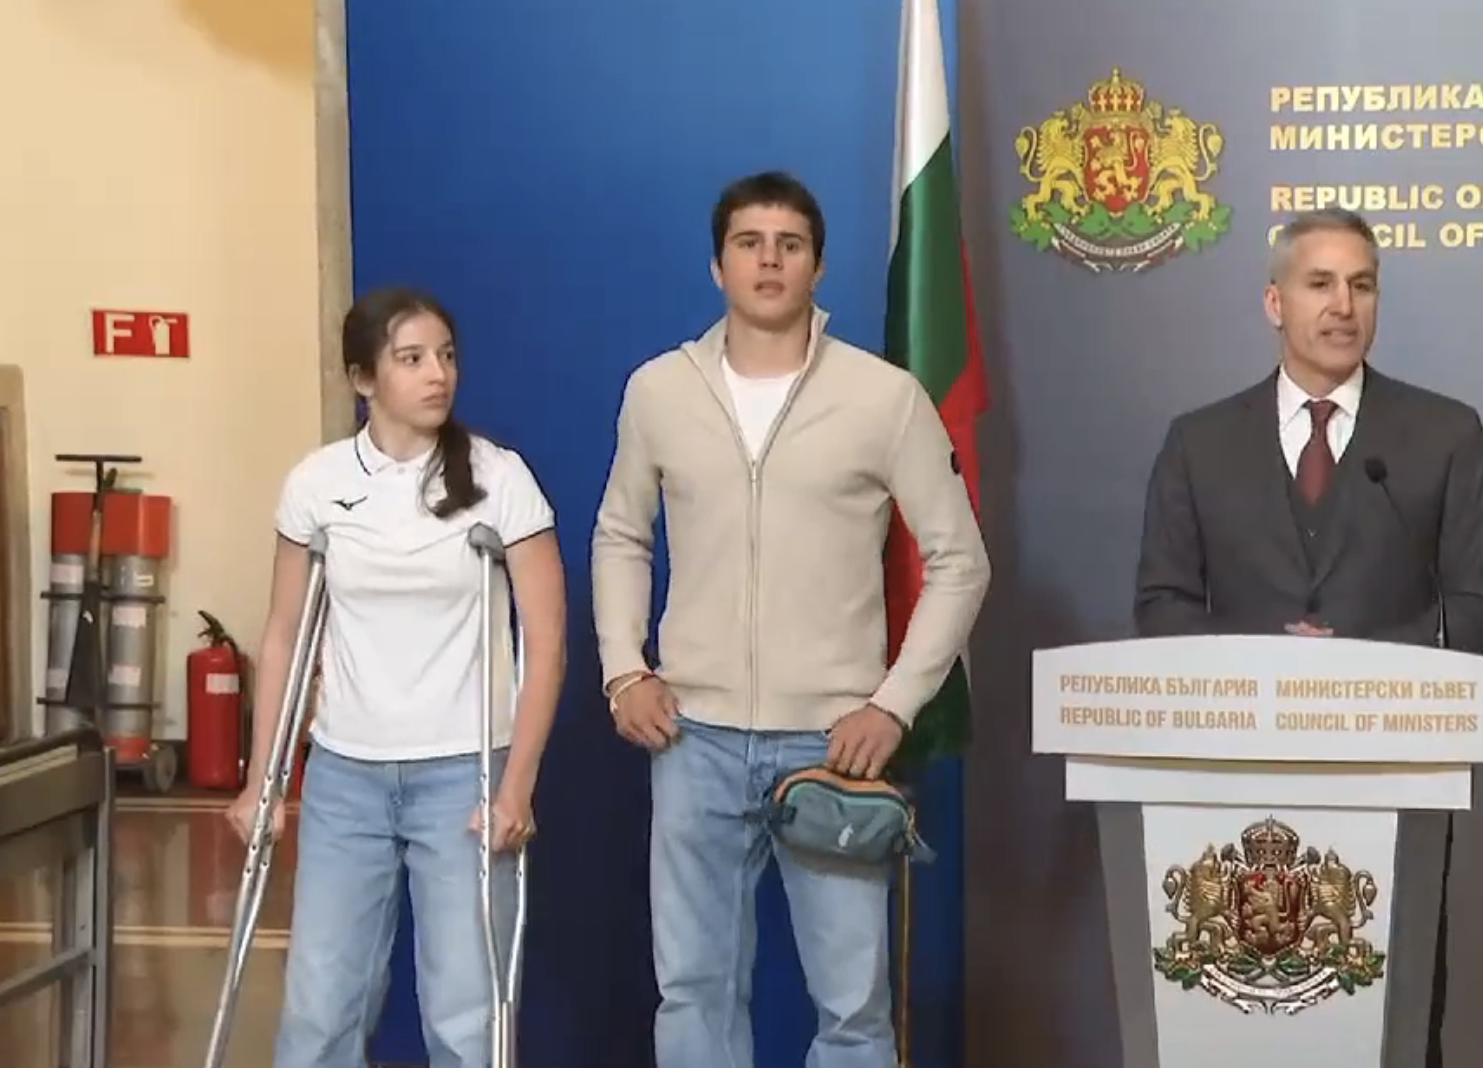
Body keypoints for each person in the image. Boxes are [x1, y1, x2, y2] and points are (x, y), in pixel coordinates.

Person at [590, 170, 989, 1068]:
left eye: (789, 245)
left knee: (852, 1007)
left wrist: (892, 705)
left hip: (832, 746)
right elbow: (620, 534)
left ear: (817, 266)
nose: (769, 261)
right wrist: (624, 669)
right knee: (693, 991)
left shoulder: (883, 397)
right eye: (749, 243)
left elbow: (961, 562)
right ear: (717, 265)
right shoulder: (659, 390)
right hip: (691, 738)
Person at [1132, 207, 1483, 1068]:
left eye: (1362, 285)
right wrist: (1265, 667)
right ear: (1275, 302)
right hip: (1234, 774)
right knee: (1246, 1021)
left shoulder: (1444, 433)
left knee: (1390, 1015)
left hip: (1395, 770)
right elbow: (1161, 603)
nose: (1343, 305)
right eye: (1320, 283)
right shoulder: (1200, 441)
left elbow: (1482, 604)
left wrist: (1357, 668)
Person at [226, 286, 566, 1068]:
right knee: (320, 1011)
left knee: (467, 1018)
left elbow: (546, 641)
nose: (437, 374)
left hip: (464, 775)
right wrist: (261, 781)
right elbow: (283, 635)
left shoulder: (500, 479)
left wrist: (516, 787)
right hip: (346, 775)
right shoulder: (317, 483)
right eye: (411, 359)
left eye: (445, 356)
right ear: (362, 379)